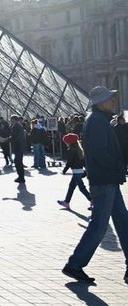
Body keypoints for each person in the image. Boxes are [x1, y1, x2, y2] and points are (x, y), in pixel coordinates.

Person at [62, 86, 128, 284]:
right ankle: (75, 264)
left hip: (108, 180)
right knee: (99, 225)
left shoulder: (98, 119)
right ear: (100, 102)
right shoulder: (97, 121)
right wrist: (118, 167)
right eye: (109, 98)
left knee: (124, 223)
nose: (113, 101)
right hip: (105, 180)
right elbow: (100, 153)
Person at [57, 132, 91, 211]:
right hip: (79, 171)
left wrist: (64, 171)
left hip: (76, 171)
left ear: (69, 143)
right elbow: (83, 162)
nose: (65, 144)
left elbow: (69, 162)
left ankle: (92, 201)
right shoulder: (79, 149)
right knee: (71, 186)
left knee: (82, 188)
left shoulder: (71, 150)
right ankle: (66, 201)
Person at [10, 115, 27, 183]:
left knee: (18, 162)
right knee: (18, 161)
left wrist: (6, 139)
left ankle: (21, 177)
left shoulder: (16, 126)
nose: (10, 121)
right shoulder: (19, 125)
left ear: (14, 120)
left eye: (11, 120)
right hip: (20, 146)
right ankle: (21, 176)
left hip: (18, 147)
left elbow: (14, 136)